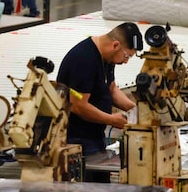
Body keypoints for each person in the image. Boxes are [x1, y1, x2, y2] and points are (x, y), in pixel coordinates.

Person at [57, 22, 143, 155]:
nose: (125, 62)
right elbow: (78, 106)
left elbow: (111, 88)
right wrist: (111, 119)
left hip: (96, 136)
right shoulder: (84, 59)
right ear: (115, 45)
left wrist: (136, 110)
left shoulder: (108, 58)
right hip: (77, 139)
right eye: (127, 56)